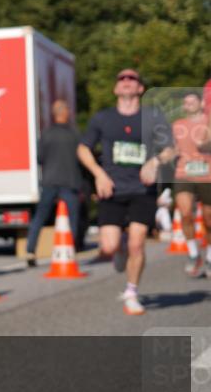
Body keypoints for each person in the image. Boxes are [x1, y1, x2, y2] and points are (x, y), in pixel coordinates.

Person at [78, 69, 174, 315]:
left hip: (143, 188)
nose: (127, 82)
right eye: (122, 79)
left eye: (132, 79)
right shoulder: (103, 118)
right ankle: (118, 247)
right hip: (112, 187)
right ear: (116, 89)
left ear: (140, 88)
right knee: (109, 247)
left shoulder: (152, 117)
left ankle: (132, 292)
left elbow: (170, 149)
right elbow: (83, 149)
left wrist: (154, 163)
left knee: (137, 244)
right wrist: (98, 174)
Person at [26, 100, 81, 266]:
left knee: (40, 218)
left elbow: (39, 158)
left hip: (50, 180)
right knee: (73, 219)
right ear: (66, 113)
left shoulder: (47, 134)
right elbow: (83, 157)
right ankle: (71, 250)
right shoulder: (75, 135)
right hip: (70, 181)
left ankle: (30, 250)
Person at [171, 92, 211, 277]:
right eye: (185, 102)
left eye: (192, 101)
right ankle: (194, 254)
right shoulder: (177, 125)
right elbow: (172, 148)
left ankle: (209, 256)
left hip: (207, 175)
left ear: (201, 103)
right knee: (185, 212)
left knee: (208, 219)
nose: (188, 105)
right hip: (184, 173)